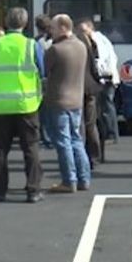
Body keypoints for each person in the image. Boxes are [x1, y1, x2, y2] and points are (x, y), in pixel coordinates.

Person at [0, 7, 46, 203]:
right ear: (25, 23)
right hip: (26, 104)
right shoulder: (31, 45)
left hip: (0, 105)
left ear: (6, 23)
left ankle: (0, 191)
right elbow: (42, 70)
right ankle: (33, 190)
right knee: (30, 149)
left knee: (0, 149)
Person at [44, 14, 91, 194]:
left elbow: (45, 71)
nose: (51, 31)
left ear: (63, 27)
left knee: (63, 141)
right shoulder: (81, 46)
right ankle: (84, 179)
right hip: (77, 100)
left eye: (53, 28)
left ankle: (69, 180)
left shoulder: (55, 50)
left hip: (58, 100)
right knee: (76, 140)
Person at [78, 19, 120, 153]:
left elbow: (100, 60)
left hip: (105, 78)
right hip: (103, 78)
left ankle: (111, 134)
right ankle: (108, 134)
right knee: (103, 108)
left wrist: (100, 75)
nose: (82, 33)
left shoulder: (98, 41)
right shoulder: (95, 40)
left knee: (106, 106)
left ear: (91, 29)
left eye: (84, 30)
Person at [77, 24, 103, 168]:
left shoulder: (77, 46)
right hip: (91, 87)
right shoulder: (92, 45)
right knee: (91, 124)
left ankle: (82, 157)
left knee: (80, 124)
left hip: (79, 87)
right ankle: (95, 156)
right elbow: (94, 68)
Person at [34, 14, 56, 149]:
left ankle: (46, 137)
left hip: (43, 78)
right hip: (55, 77)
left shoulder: (37, 42)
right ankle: (52, 137)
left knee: (43, 111)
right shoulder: (56, 39)